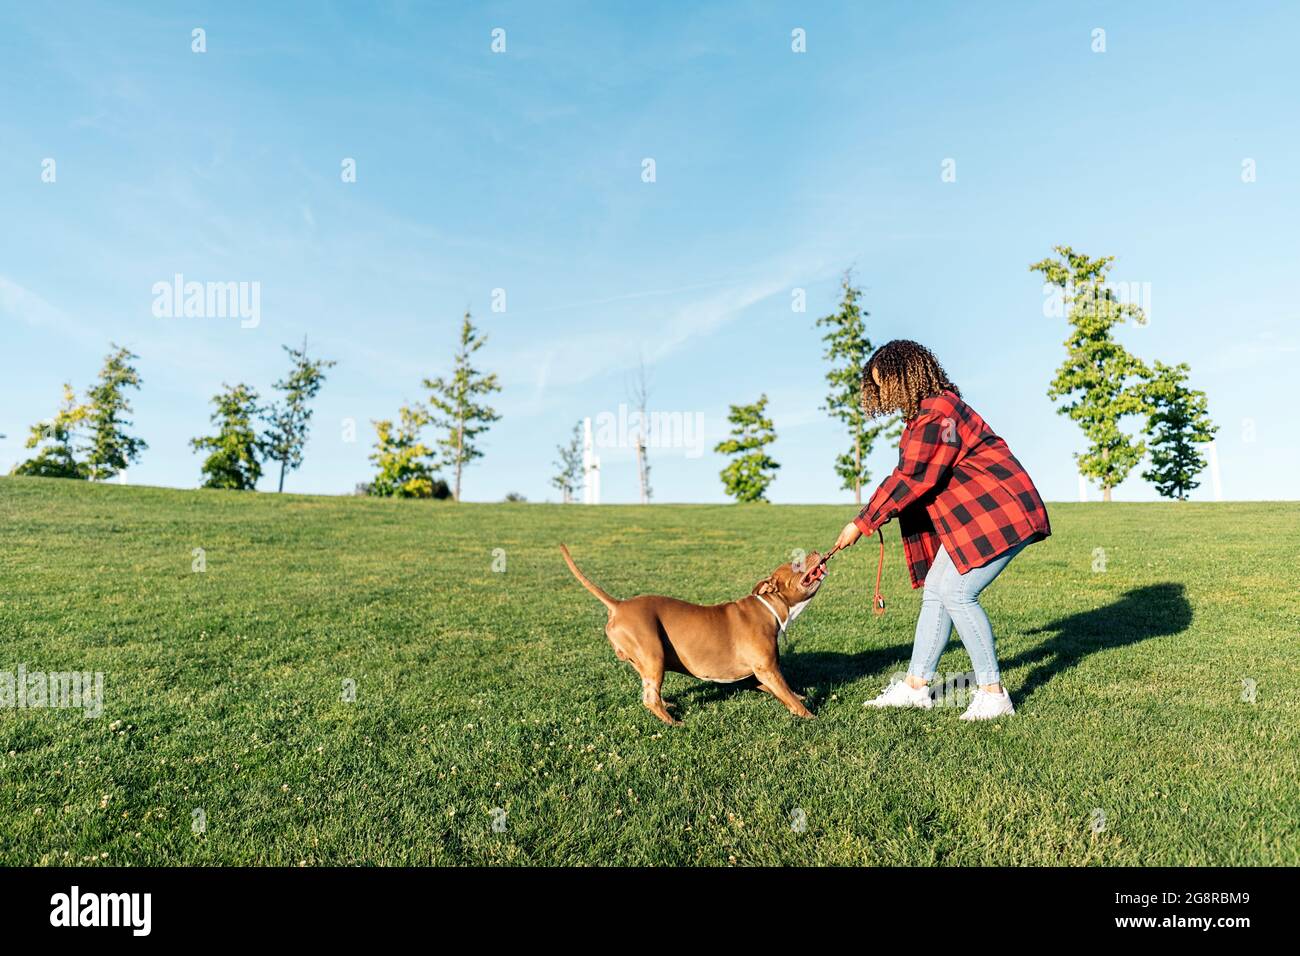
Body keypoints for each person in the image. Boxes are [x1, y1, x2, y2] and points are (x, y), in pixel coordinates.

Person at [833, 340, 1050, 720]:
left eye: (885, 384)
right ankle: (916, 688)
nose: (881, 394)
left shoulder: (939, 414)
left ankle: (993, 694)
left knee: (957, 591)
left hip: (1001, 512)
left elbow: (912, 477)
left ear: (905, 377)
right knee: (937, 588)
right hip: (976, 517)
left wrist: (862, 522)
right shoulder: (928, 414)